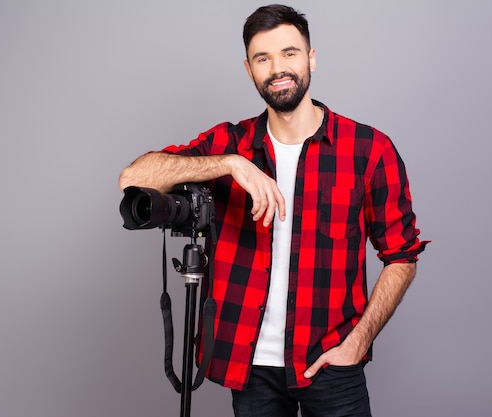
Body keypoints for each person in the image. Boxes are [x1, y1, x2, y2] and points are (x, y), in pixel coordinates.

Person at [119, 4, 428, 417]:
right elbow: (133, 178)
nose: (278, 68)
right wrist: (229, 163)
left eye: (289, 53)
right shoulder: (230, 143)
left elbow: (402, 256)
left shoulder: (369, 150)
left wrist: (359, 340)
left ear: (311, 58)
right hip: (251, 368)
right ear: (249, 70)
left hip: (332, 363)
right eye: (263, 58)